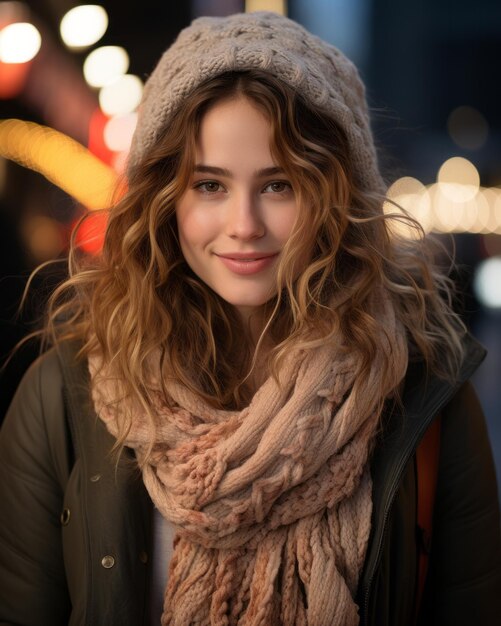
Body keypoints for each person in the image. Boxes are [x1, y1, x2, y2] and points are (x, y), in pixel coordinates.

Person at [0, 11, 500, 626]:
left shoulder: (427, 402)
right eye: (209, 185)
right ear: (164, 198)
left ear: (336, 198)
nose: (244, 225)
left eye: (280, 185)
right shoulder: (61, 401)